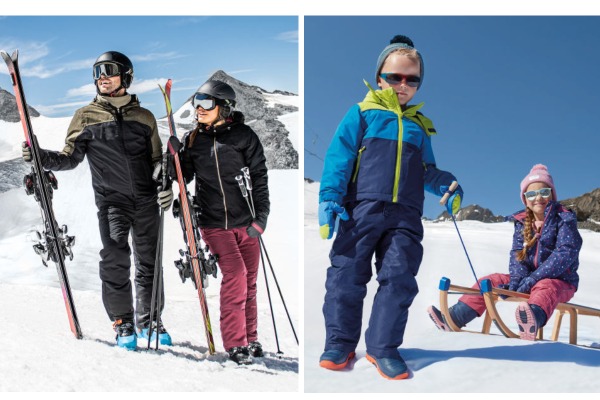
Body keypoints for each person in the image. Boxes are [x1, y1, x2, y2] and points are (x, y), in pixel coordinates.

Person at [317, 34, 463, 380]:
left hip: (406, 216)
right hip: (361, 209)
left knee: (399, 279)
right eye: (395, 77)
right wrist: (329, 198)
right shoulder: (363, 113)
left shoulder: (418, 127)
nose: (402, 84)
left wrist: (447, 185)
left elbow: (427, 170)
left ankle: (383, 347)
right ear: (379, 76)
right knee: (346, 275)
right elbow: (339, 157)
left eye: (412, 79)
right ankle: (340, 342)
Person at [22, 51, 174, 350]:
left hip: (146, 201)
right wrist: (40, 157)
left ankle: (150, 319)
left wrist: (165, 183)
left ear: (126, 76)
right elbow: (69, 159)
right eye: (97, 72)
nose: (101, 76)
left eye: (109, 70)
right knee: (115, 258)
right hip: (112, 202)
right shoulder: (86, 116)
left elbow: (157, 160)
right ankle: (123, 321)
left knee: (150, 262)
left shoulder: (143, 118)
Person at [169, 80, 270, 365]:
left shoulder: (244, 137)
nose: (199, 108)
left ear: (224, 107)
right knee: (236, 275)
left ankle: (250, 338)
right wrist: (174, 156)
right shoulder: (194, 140)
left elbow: (260, 178)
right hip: (214, 223)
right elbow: (181, 176)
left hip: (246, 221)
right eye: (196, 102)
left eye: (206, 102)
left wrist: (261, 218)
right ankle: (235, 343)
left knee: (249, 281)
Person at [428, 164, 582, 341]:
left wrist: (532, 279)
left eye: (544, 192)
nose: (538, 198)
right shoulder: (522, 223)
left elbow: (565, 253)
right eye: (531, 194)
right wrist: (517, 281)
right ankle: (454, 317)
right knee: (490, 280)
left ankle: (532, 319)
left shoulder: (564, 218)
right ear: (525, 199)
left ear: (552, 195)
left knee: (546, 286)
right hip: (527, 279)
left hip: (561, 281)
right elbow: (517, 255)